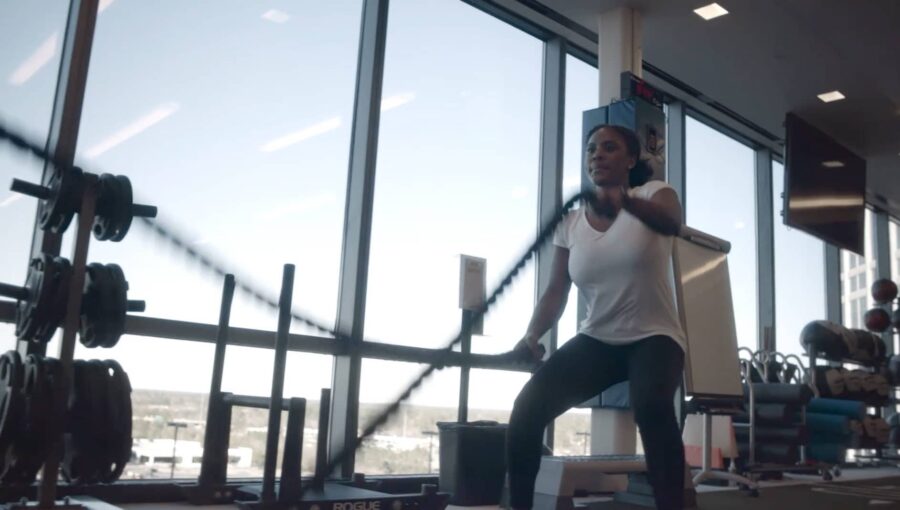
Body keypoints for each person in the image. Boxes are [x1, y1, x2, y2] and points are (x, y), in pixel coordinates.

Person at [506, 124, 687, 510]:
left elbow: (672, 223)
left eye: (609, 147)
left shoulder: (654, 194)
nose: (597, 155)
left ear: (631, 159)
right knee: (527, 410)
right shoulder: (571, 224)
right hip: (599, 341)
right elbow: (557, 289)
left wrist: (624, 204)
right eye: (591, 150)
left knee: (652, 407)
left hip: (654, 336)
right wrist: (532, 335)